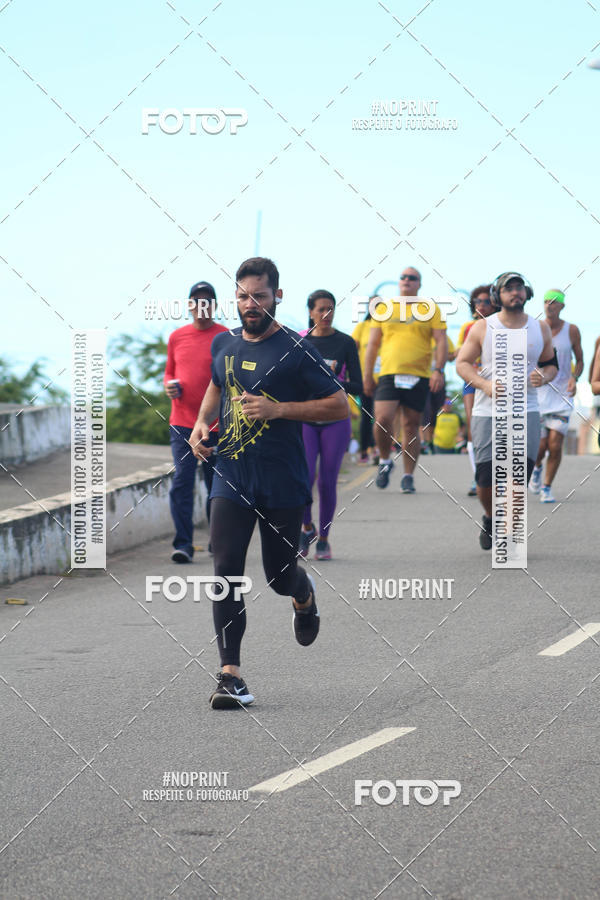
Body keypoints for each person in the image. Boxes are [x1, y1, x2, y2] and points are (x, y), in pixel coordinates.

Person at [189, 257, 348, 709]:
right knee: (225, 574)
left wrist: (278, 410)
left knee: (278, 576)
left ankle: (302, 594)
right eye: (242, 296)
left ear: (277, 296)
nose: (250, 304)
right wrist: (202, 425)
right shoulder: (223, 343)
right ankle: (229, 675)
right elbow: (217, 387)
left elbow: (339, 407)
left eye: (259, 295)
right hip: (232, 475)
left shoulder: (297, 350)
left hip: (282, 479)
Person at [456, 272, 558, 550]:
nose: (515, 293)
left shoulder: (541, 329)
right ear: (497, 296)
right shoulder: (482, 328)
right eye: (508, 289)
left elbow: (551, 364)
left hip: (527, 410)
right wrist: (483, 384)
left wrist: (545, 376)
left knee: (518, 475)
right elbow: (462, 364)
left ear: (527, 293)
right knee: (486, 479)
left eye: (519, 288)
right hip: (488, 413)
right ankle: (490, 517)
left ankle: (510, 532)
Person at [363, 266, 448, 492]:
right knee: (382, 418)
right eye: (403, 277)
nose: (407, 280)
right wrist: (367, 375)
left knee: (411, 425)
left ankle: (408, 476)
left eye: (412, 278)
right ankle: (384, 460)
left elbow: (441, 340)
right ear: (398, 282)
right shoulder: (384, 308)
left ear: (419, 284)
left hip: (418, 375)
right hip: (389, 373)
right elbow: (372, 344)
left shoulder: (430, 308)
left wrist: (438, 370)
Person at [164, 281, 228, 563]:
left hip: (216, 424)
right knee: (182, 482)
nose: (201, 307)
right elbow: (169, 373)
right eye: (196, 301)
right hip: (182, 423)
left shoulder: (226, 337)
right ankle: (183, 544)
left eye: (207, 302)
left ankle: (219, 540)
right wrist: (169, 386)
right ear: (189, 305)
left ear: (214, 306)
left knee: (216, 484)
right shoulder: (177, 336)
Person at [300, 290, 362, 560]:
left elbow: (359, 385)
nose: (326, 315)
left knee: (327, 481)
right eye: (320, 309)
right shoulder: (299, 342)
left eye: (330, 309)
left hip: (336, 419)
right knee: (303, 479)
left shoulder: (345, 342)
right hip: (304, 418)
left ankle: (324, 539)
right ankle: (306, 528)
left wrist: (334, 383)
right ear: (310, 311)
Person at [529, 290, 583, 502]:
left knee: (555, 443)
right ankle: (536, 468)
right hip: (537, 397)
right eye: (546, 302)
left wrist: (575, 378)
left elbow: (579, 360)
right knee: (540, 447)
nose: (549, 306)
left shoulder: (572, 330)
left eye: (554, 302)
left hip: (562, 397)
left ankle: (547, 487)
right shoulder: (534, 329)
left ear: (562, 306)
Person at [457, 285, 493, 494]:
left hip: (495, 382)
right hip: (472, 381)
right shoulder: (468, 327)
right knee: (473, 427)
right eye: (478, 302)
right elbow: (465, 356)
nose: (481, 305)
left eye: (486, 302)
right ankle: (477, 478)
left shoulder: (501, 325)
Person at [352, 303, 381, 464]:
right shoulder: (362, 326)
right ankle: (364, 451)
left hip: (384, 379)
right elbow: (352, 348)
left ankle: (378, 449)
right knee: (366, 415)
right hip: (365, 378)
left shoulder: (386, 324)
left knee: (381, 416)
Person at [420, 334, 456, 453]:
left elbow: (451, 356)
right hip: (422, 378)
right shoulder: (419, 332)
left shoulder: (442, 336)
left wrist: (443, 355)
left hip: (439, 378)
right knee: (424, 410)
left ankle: (430, 443)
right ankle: (423, 442)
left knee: (436, 411)